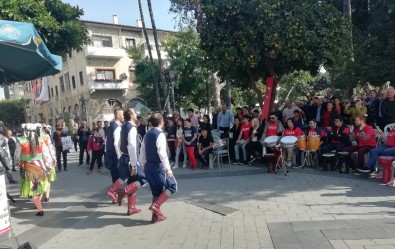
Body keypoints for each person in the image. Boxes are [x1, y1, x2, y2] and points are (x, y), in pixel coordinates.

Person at [139, 113, 177, 223]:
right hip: (158, 166)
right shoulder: (159, 134)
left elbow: (142, 151)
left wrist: (142, 164)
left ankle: (155, 217)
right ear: (161, 123)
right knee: (172, 186)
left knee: (156, 192)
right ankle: (156, 205)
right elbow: (162, 153)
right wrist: (168, 169)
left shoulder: (147, 134)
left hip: (148, 166)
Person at [107, 109, 144, 211]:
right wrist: (134, 165)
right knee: (143, 179)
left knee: (128, 179)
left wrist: (121, 156)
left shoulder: (123, 126)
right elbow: (132, 146)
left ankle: (131, 207)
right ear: (132, 115)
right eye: (135, 113)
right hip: (129, 157)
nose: (136, 114)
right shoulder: (131, 127)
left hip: (124, 156)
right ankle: (122, 191)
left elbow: (118, 143)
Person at [15, 123, 53, 216]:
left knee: (34, 188)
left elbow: (17, 156)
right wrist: (49, 166)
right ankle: (39, 203)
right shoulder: (40, 140)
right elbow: (46, 155)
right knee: (39, 187)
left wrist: (17, 164)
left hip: (28, 168)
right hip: (40, 167)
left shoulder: (21, 141)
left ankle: (40, 209)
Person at [105, 109, 124, 203]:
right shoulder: (117, 127)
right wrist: (119, 156)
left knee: (114, 176)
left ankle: (115, 197)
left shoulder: (110, 126)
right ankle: (114, 194)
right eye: (122, 115)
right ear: (117, 116)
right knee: (120, 176)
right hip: (115, 154)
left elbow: (106, 140)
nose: (124, 116)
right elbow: (116, 143)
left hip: (110, 153)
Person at [40, 123, 57, 202]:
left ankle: (45, 195)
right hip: (46, 159)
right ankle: (46, 195)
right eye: (44, 128)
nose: (44, 129)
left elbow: (51, 148)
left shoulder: (36, 137)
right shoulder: (46, 137)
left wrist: (53, 158)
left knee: (42, 178)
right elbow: (51, 148)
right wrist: (53, 158)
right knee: (47, 178)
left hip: (40, 160)